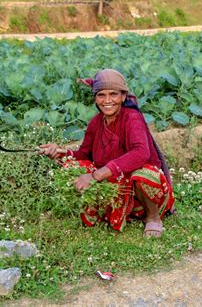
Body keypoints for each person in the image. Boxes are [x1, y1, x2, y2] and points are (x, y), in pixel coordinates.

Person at [40, 68, 175, 237]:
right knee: (73, 166)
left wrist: (95, 176)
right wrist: (59, 152)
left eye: (114, 94)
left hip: (137, 189)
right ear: (95, 98)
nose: (107, 100)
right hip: (114, 184)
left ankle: (153, 217)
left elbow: (141, 153)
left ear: (123, 97)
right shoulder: (95, 123)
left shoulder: (132, 118)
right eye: (101, 95)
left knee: (144, 174)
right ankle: (108, 209)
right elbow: (83, 155)